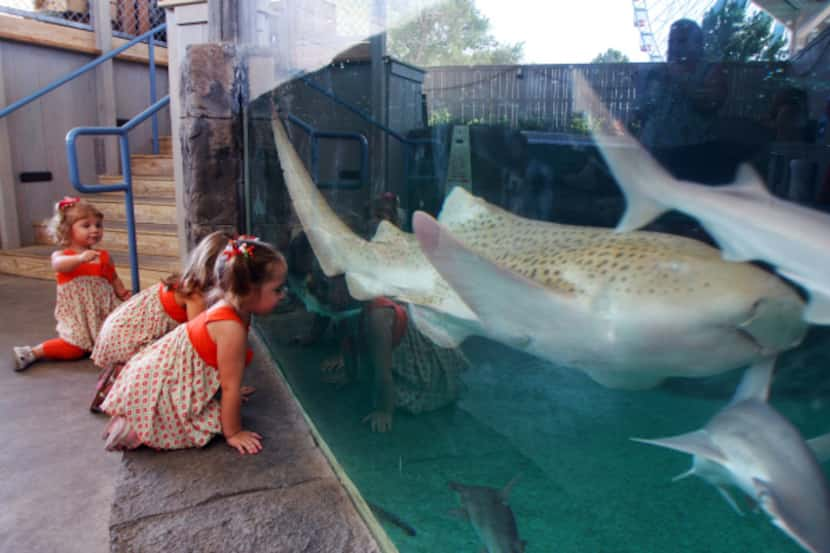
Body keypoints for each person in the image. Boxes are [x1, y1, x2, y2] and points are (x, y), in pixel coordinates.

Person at [100, 236, 287, 454]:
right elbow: (229, 386)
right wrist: (234, 432)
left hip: (156, 372)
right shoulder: (230, 327)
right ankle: (138, 426)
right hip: (158, 387)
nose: (283, 295)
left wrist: (229, 388)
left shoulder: (233, 308)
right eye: (277, 289)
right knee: (214, 419)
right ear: (249, 290)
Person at [88, 230, 231, 413]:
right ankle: (124, 387)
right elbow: (199, 341)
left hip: (118, 328)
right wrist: (226, 385)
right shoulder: (195, 294)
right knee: (175, 365)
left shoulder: (188, 281)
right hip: (125, 337)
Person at [12, 196, 130, 372]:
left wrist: (122, 293)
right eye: (86, 225)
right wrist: (80, 258)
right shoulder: (62, 255)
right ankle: (33, 352)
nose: (95, 230)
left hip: (101, 310)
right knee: (74, 348)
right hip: (76, 314)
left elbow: (113, 278)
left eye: (98, 225)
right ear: (67, 230)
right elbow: (58, 265)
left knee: (114, 339)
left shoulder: (103, 256)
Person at [633, 19, 729, 184]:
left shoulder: (711, 71)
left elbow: (709, 102)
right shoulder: (658, 74)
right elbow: (641, 113)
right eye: (671, 41)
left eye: (682, 41)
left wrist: (679, 76)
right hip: (653, 150)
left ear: (698, 44)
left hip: (691, 155)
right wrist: (640, 87)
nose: (675, 46)